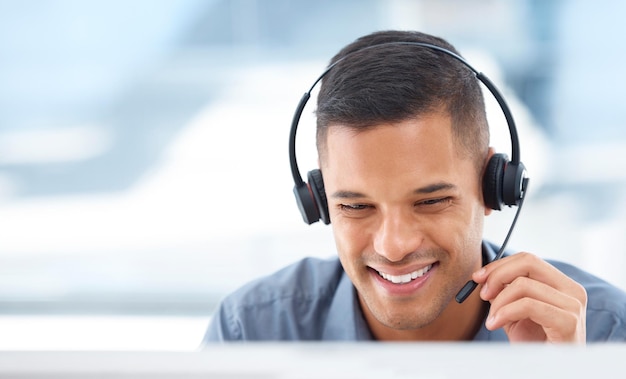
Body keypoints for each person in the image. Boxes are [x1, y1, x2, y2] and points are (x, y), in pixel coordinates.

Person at [202, 30, 626, 343]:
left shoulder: (601, 333)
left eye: (431, 201)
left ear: (493, 188)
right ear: (320, 201)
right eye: (355, 207)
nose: (394, 246)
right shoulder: (251, 332)